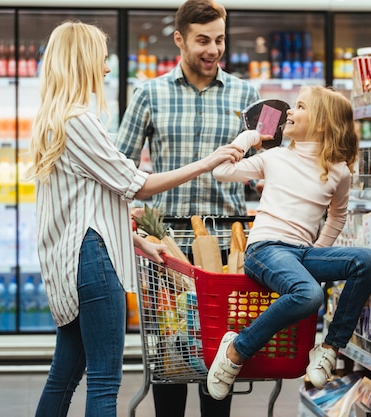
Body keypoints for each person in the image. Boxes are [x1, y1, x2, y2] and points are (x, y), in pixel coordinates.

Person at [27, 21, 244, 417]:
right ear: (82, 61)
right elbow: (136, 184)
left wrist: (139, 240)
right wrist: (208, 162)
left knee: (65, 374)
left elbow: (88, 201)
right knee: (105, 381)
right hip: (92, 262)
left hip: (71, 260)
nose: (107, 68)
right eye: (101, 58)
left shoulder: (53, 121)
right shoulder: (80, 121)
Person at [116, 0, 260, 415]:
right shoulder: (149, 93)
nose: (213, 50)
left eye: (219, 40)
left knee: (221, 352)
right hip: (166, 244)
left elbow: (265, 162)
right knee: (170, 355)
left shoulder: (246, 95)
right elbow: (120, 168)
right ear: (179, 39)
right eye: (202, 41)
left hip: (226, 242)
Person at [208, 85, 371, 400]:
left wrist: (319, 251)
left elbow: (337, 216)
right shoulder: (274, 158)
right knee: (309, 294)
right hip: (265, 249)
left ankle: (329, 348)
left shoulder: (338, 171)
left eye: (299, 106)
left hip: (302, 254)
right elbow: (221, 171)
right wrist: (248, 139)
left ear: (321, 123)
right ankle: (237, 349)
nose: (289, 111)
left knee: (367, 261)